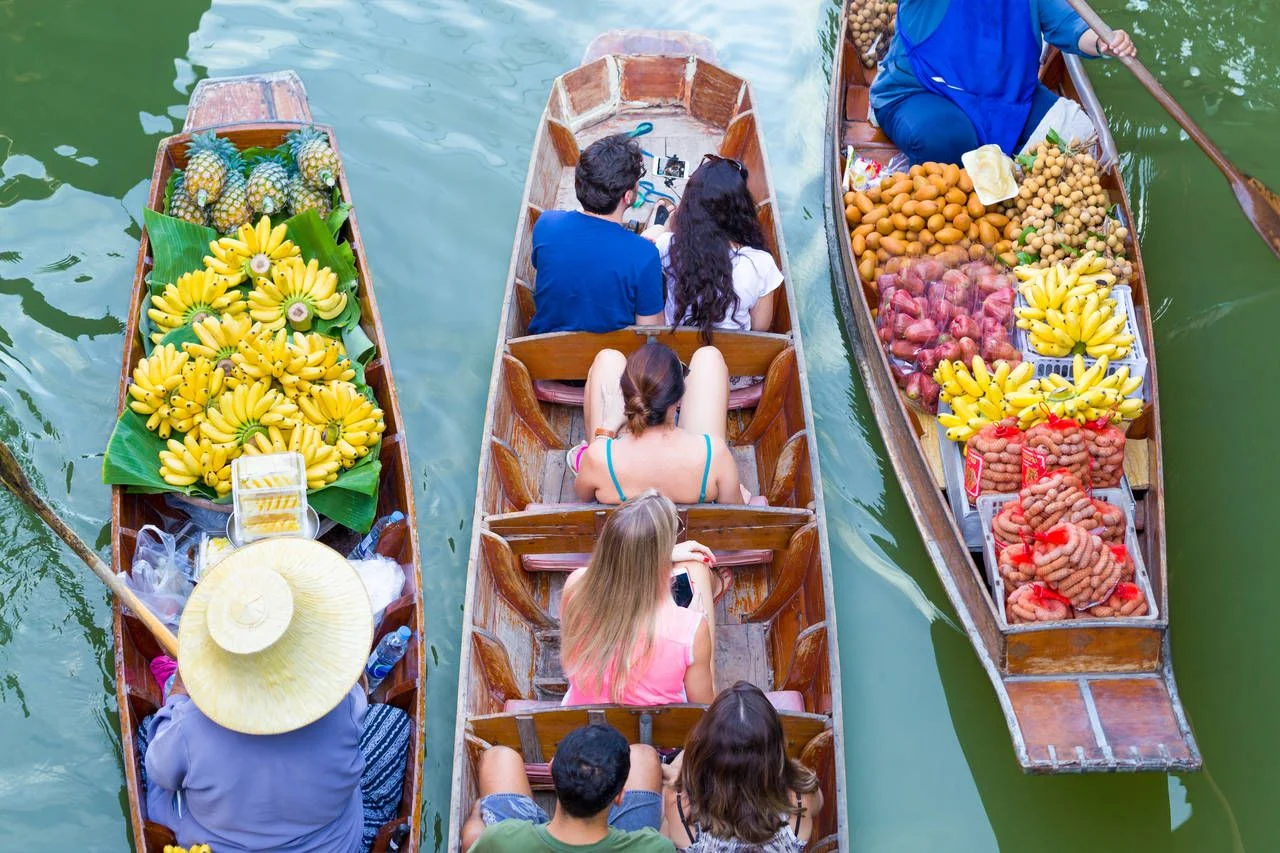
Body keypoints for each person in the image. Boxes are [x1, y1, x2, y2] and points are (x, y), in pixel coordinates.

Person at [138, 539, 411, 853]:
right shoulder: (343, 701)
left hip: (214, 844)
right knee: (395, 723)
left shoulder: (189, 725)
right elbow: (357, 704)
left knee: (150, 729)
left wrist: (178, 692)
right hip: (331, 845)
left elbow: (160, 771)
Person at [869, 0, 1138, 165]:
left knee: (1078, 137)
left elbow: (1069, 24)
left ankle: (1014, 192)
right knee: (950, 139)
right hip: (922, 89)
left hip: (1005, 96)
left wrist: (1102, 41)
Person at [560, 490, 719, 706]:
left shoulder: (576, 585)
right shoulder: (689, 628)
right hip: (657, 730)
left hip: (586, 723)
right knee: (697, 570)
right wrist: (704, 620)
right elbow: (704, 706)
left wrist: (660, 553)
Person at [573, 341, 744, 505]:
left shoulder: (600, 456)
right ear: (679, 397)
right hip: (698, 481)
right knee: (709, 357)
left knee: (607, 359)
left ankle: (581, 453)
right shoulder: (714, 453)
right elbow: (734, 510)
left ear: (626, 397)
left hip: (616, 480)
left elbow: (584, 496)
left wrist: (607, 429)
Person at [527, 133, 665, 334]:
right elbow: (651, 332)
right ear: (628, 196)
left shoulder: (547, 223)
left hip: (546, 351)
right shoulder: (644, 255)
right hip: (614, 357)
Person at [663, 682, 824, 852]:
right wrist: (792, 770)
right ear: (774, 752)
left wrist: (679, 773)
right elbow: (818, 803)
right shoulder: (801, 797)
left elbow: (672, 832)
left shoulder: (680, 803)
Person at [462, 724, 674, 852]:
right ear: (619, 797)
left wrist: (473, 825)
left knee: (499, 757)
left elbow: (472, 843)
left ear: (552, 770)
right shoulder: (654, 848)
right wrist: (668, 809)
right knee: (642, 756)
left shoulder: (500, 840)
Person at [644, 154, 784, 341]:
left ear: (689, 209)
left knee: (659, 213)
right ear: (741, 210)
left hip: (675, 353)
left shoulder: (666, 246)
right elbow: (761, 327)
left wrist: (664, 228)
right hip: (733, 362)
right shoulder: (761, 264)